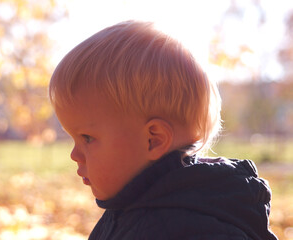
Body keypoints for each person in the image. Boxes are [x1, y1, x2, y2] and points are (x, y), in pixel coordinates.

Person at [49, 20, 278, 240]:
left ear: (154, 140)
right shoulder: (132, 208)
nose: (74, 155)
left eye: (87, 138)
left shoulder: (194, 228)